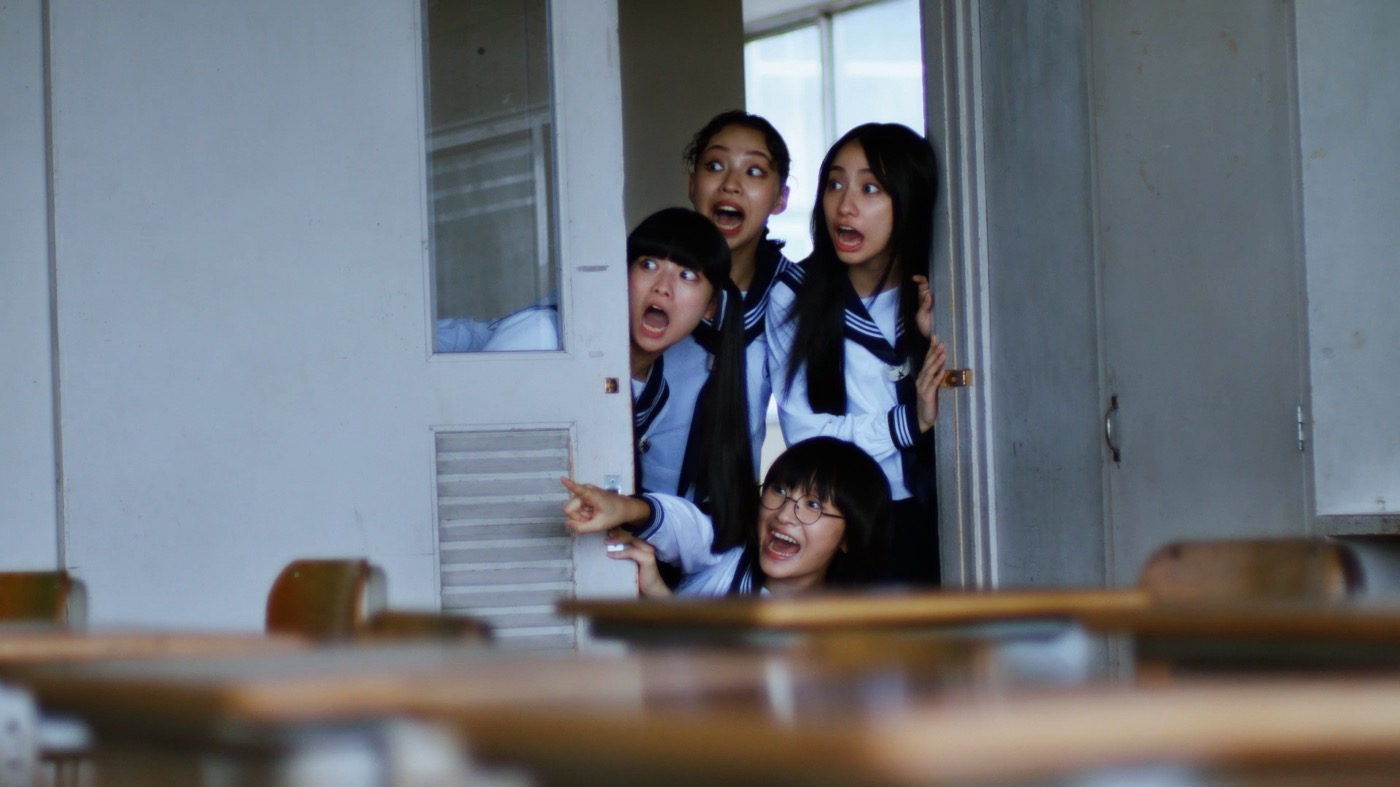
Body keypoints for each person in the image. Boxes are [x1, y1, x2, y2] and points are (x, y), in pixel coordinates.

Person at [766, 123, 948, 587]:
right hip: (844, 520)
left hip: (945, 506)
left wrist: (935, 336)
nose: (845, 206)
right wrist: (908, 422)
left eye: (870, 189)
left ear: (908, 200)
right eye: (835, 184)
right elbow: (806, 433)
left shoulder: (941, 289)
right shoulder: (794, 295)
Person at [561, 436, 891, 597]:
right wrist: (624, 508)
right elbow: (684, 524)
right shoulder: (729, 555)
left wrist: (659, 594)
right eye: (780, 490)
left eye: (814, 505)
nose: (786, 514)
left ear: (849, 537)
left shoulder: (838, 637)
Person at [625, 208, 756, 558]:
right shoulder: (544, 338)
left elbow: (710, 534)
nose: (662, 287)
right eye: (648, 264)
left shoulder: (677, 385)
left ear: (710, 307)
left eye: (686, 275)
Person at [676, 110, 795, 466]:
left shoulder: (793, 297)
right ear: (693, 184)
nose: (730, 184)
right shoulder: (647, 282)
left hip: (735, 497)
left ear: (780, 198)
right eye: (715, 166)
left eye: (754, 171)